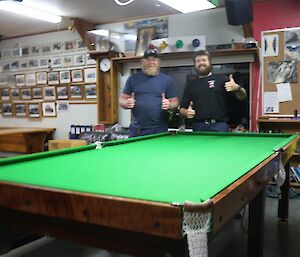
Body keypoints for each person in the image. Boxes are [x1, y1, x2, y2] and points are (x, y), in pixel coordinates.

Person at [179, 50, 247, 132]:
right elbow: (182, 109)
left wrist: (238, 88)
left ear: (210, 62)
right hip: (198, 127)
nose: (201, 63)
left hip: (219, 126)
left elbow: (243, 97)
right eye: (198, 61)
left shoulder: (222, 79)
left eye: (204, 60)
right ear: (195, 64)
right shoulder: (191, 85)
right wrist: (186, 112)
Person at [119, 48, 179, 137]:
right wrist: (126, 103)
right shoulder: (133, 78)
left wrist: (169, 105)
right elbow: (122, 100)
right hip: (137, 130)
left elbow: (175, 102)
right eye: (148, 60)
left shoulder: (166, 80)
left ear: (158, 62)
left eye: (154, 60)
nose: (151, 62)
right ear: (143, 62)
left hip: (159, 130)